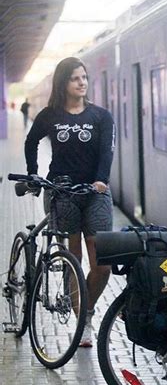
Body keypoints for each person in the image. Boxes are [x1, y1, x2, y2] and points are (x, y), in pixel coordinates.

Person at [24, 56, 115, 347]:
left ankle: (85, 309)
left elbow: (106, 153)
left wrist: (101, 179)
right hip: (61, 192)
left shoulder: (101, 116)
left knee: (102, 265)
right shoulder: (49, 115)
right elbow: (30, 141)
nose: (82, 82)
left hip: (95, 192)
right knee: (73, 259)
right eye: (76, 78)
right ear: (63, 82)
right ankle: (83, 323)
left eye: (84, 77)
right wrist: (33, 174)